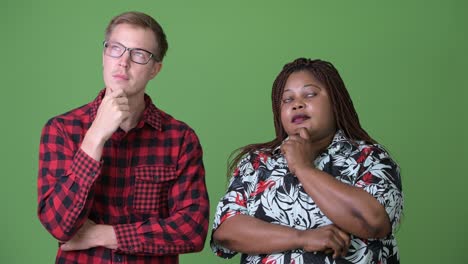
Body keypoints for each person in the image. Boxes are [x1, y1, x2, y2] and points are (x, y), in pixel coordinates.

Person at [37, 11, 209, 264]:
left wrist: (103, 235)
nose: (123, 62)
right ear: (104, 57)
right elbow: (59, 226)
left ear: (155, 69)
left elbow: (192, 231)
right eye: (116, 48)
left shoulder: (180, 138)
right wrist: (95, 137)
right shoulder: (62, 129)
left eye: (139, 54)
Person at [211, 58, 403, 263]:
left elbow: (372, 222)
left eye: (310, 94)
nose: (297, 104)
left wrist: (303, 167)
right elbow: (226, 231)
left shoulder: (369, 158)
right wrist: (302, 238)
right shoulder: (257, 163)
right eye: (287, 100)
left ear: (336, 102)